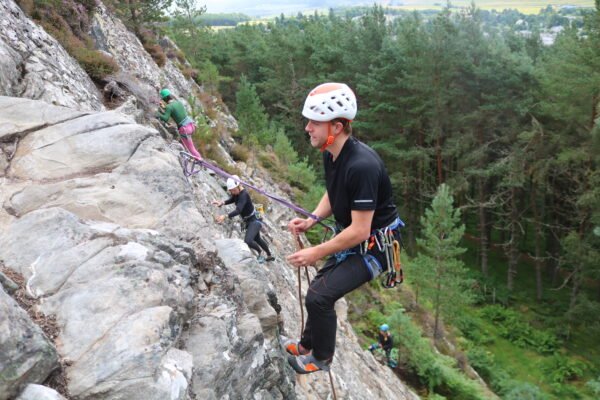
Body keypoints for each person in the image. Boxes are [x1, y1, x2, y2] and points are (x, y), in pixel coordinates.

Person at [284, 82, 402, 374]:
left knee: (320, 296)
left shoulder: (362, 166)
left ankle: (321, 358)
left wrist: (315, 252)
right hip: (355, 240)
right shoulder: (331, 153)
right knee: (317, 290)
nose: (307, 128)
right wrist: (312, 218)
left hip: (375, 248)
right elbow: (334, 192)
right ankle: (305, 345)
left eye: (314, 122)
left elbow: (361, 230)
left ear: (335, 127)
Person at [213, 175, 275, 264]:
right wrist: (222, 202)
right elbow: (233, 199)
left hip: (255, 219)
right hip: (250, 219)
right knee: (257, 238)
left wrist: (225, 216)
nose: (233, 193)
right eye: (231, 191)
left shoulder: (244, 195)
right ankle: (269, 255)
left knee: (248, 241)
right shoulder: (237, 193)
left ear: (238, 186)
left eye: (233, 190)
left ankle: (260, 252)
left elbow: (238, 210)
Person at [156, 88, 203, 160]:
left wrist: (157, 113)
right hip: (191, 125)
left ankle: (199, 161)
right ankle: (198, 159)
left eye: (163, 99)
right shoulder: (178, 102)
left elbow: (165, 118)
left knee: (189, 148)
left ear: (165, 98)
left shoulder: (169, 107)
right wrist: (164, 108)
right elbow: (175, 111)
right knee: (191, 147)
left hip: (184, 129)